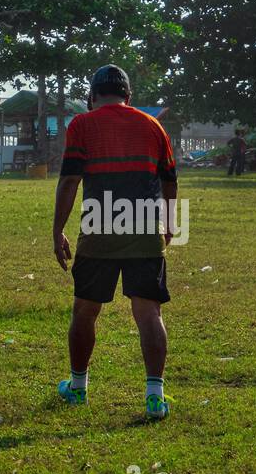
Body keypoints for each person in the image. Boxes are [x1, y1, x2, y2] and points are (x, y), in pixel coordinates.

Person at [53, 64, 177, 420]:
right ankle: (155, 396)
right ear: (129, 96)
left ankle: (78, 388)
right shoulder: (153, 125)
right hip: (144, 226)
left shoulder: (82, 124)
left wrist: (57, 230)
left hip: (99, 226)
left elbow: (69, 182)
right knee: (148, 312)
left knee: (85, 310)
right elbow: (170, 182)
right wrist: (169, 222)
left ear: (92, 97)